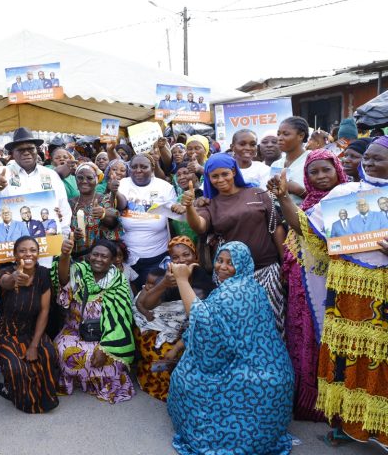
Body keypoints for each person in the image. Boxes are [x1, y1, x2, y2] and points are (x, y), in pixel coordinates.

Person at [294, 137, 388, 446]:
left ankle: (381, 430)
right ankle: (348, 424)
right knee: (347, 357)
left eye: (378, 158)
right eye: (368, 157)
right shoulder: (344, 193)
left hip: (382, 293)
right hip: (346, 291)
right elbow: (311, 233)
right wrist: (281, 198)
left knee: (380, 359)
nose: (369, 162)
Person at [167, 241, 294, 455]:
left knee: (186, 378)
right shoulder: (251, 286)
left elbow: (203, 324)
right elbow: (226, 333)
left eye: (230, 262)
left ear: (242, 264)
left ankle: (215, 438)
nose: (222, 267)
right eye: (219, 260)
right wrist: (182, 345)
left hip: (252, 373)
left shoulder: (232, 292)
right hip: (274, 372)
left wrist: (181, 280)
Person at [267, 149, 347, 422]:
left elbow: (307, 231)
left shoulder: (349, 200)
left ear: (338, 170)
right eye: (314, 172)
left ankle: (337, 403)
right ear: (306, 176)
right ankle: (311, 402)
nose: (321, 176)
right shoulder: (309, 204)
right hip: (304, 284)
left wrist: (284, 198)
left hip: (337, 284)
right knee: (306, 338)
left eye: (327, 170)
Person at [181, 153, 286, 333]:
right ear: (208, 178)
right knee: (240, 325)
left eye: (225, 174)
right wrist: (190, 207)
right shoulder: (210, 204)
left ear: (234, 172)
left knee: (273, 322)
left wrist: (284, 263)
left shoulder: (257, 193)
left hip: (267, 270)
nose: (220, 179)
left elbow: (276, 228)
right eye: (214, 176)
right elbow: (200, 226)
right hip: (231, 277)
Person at [54, 237, 136, 403]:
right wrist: (65, 255)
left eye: (104, 256)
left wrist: (105, 348)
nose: (98, 259)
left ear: (112, 260)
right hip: (75, 330)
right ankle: (79, 381)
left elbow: (121, 318)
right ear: (88, 256)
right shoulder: (79, 270)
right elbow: (63, 280)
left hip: (107, 334)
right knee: (64, 350)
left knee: (112, 358)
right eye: (95, 254)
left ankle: (103, 383)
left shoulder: (118, 280)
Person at [134, 237, 214, 401]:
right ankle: (162, 387)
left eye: (186, 254)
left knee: (189, 357)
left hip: (192, 331)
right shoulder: (169, 277)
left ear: (195, 256)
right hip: (163, 326)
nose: (182, 260)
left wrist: (178, 345)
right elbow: (148, 305)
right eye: (175, 257)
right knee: (160, 354)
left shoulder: (203, 280)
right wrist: (163, 283)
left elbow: (199, 317)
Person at [0, 236, 59, 413]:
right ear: (15, 255)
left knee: (48, 354)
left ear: (38, 254)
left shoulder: (43, 274)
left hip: (32, 330)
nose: (28, 254)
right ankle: (13, 390)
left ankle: (43, 393)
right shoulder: (6, 271)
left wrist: (34, 345)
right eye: (22, 251)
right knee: (17, 369)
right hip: (8, 333)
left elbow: (44, 310)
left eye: (32, 250)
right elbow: (5, 282)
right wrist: (14, 278)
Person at [0, 128, 72, 240]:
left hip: (48, 242)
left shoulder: (51, 175)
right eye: (20, 150)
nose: (26, 153)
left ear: (37, 150)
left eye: (30, 148)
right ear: (13, 153)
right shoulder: (2, 172)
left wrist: (64, 236)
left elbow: (63, 207)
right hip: (13, 243)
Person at [119, 154, 177, 289]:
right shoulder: (122, 184)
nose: (138, 170)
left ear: (152, 168)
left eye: (144, 167)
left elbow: (174, 219)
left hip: (157, 258)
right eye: (134, 167)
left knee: (152, 295)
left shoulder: (165, 187)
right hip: (125, 258)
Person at [69, 162, 124, 257]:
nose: (84, 181)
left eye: (89, 178)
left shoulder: (103, 199)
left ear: (96, 180)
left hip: (99, 257)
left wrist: (103, 214)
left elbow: (114, 220)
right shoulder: (70, 203)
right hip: (75, 257)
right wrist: (73, 235)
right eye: (80, 178)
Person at [271, 117, 311, 204]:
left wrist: (299, 190)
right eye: (278, 134)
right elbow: (273, 195)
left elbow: (323, 196)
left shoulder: (313, 160)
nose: (279, 138)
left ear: (301, 136)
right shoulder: (276, 164)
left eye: (285, 134)